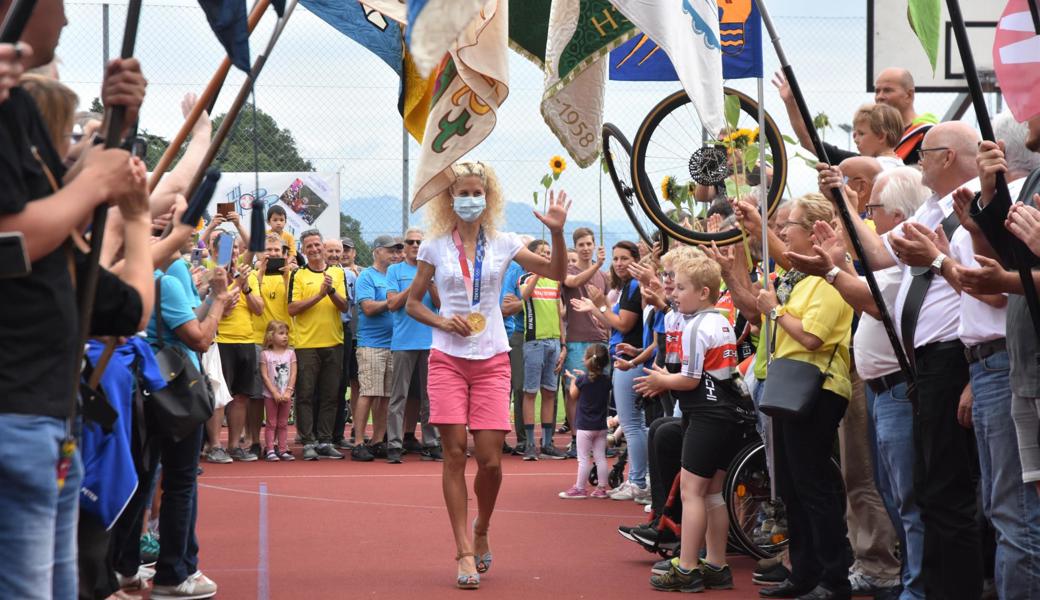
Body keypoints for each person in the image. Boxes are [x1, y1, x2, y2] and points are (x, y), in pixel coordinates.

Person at [0, 5, 151, 595]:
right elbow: (12, 240)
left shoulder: (16, 115)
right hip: (16, 411)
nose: (65, 20)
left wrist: (117, 132)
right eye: (58, 4)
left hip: (48, 414)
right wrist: (99, 189)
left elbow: (53, 225)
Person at [821, 121, 984, 599]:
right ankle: (934, 587)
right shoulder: (934, 211)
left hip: (954, 361)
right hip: (923, 370)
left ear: (949, 157)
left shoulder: (967, 210)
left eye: (926, 154)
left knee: (951, 496)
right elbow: (876, 256)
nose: (918, 163)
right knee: (929, 494)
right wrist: (845, 206)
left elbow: (985, 292)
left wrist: (935, 261)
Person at [405, 161, 570, 589]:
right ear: (449, 198)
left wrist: (555, 231)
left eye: (478, 192)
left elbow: (556, 273)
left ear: (488, 197)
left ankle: (482, 528)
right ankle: (462, 550)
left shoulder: (504, 243)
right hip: (447, 359)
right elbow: (413, 304)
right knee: (455, 453)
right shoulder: (435, 247)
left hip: (493, 357)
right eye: (462, 192)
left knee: (492, 462)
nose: (470, 199)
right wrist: (442, 322)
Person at [901, 114, 1040, 599]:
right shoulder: (983, 206)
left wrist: (940, 259)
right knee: (1000, 508)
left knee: (1012, 514)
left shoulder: (1016, 202)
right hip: (986, 364)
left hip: (1002, 365)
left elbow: (995, 292)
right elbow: (990, 281)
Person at [787, 167, 930, 600]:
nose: (869, 218)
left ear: (898, 213)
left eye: (873, 210)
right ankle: (906, 580)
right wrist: (839, 261)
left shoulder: (903, 253)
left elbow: (869, 299)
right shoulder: (889, 255)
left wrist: (833, 267)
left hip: (896, 389)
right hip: (880, 388)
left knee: (905, 497)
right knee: (889, 493)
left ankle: (907, 582)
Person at [746, 193, 855, 600]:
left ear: (813, 233)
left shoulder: (831, 279)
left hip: (819, 388)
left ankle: (833, 577)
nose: (782, 231)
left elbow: (811, 337)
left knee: (814, 485)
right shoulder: (805, 280)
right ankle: (805, 571)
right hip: (793, 387)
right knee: (793, 485)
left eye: (788, 225)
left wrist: (775, 310)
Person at [635, 256, 751, 593]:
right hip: (726, 413)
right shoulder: (722, 321)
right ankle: (716, 564)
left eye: (681, 287)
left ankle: (687, 567)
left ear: (703, 292)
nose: (675, 293)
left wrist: (662, 379)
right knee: (713, 493)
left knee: (692, 492)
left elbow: (689, 378)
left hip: (706, 415)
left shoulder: (697, 326)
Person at [571, 241, 649, 504]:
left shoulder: (634, 288)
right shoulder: (628, 287)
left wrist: (601, 304)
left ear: (636, 260)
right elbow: (613, 326)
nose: (618, 263)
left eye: (624, 258)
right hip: (625, 356)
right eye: (615, 259)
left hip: (631, 359)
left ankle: (639, 481)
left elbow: (623, 324)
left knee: (632, 424)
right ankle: (641, 477)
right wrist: (597, 308)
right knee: (635, 424)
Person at [775, 67, 938, 165]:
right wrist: (791, 102)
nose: (880, 96)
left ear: (909, 95)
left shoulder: (929, 136)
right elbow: (810, 142)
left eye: (887, 90)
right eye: (877, 91)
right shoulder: (868, 157)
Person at [288, 229, 348, 461]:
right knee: (305, 394)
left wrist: (330, 290)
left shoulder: (337, 273)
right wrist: (319, 295)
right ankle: (308, 441)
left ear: (323, 247)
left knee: (330, 394)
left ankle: (325, 440)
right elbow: (292, 308)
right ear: (304, 250)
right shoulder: (299, 275)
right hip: (306, 344)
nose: (314, 249)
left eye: (316, 245)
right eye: (309, 246)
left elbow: (344, 306)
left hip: (334, 341)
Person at [386, 227, 442, 463]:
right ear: (404, 246)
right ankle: (394, 444)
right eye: (410, 242)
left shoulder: (434, 270)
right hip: (403, 342)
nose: (416, 246)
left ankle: (432, 442)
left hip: (430, 342)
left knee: (430, 396)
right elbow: (392, 304)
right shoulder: (395, 270)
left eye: (420, 242)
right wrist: (415, 283)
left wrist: (428, 283)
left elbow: (441, 305)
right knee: (398, 395)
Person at [352, 234, 403, 461]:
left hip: (395, 344)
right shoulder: (367, 276)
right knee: (369, 392)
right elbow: (369, 307)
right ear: (377, 251)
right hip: (371, 343)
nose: (395, 255)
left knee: (387, 396)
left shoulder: (395, 277)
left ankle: (378, 440)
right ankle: (359, 441)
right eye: (390, 250)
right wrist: (393, 301)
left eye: (396, 251)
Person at [561, 227, 609, 457]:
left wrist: (604, 319)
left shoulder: (603, 275)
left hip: (600, 339)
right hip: (576, 340)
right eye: (581, 244)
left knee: (600, 391)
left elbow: (607, 305)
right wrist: (597, 265)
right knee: (575, 390)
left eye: (589, 243)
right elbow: (575, 280)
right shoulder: (568, 270)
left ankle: (598, 438)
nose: (586, 248)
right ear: (576, 246)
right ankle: (575, 438)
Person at [215, 238, 264, 461]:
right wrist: (236, 283)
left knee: (241, 396)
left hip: (246, 340)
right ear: (216, 251)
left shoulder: (248, 276)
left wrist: (245, 286)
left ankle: (234, 445)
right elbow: (220, 309)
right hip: (221, 341)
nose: (233, 252)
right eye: (227, 248)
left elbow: (259, 309)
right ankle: (215, 445)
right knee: (218, 397)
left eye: (235, 248)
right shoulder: (213, 275)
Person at [519, 238, 568, 460]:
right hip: (534, 342)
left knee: (550, 392)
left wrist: (563, 344)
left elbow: (559, 314)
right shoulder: (525, 278)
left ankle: (547, 443)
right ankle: (529, 444)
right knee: (530, 392)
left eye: (549, 253)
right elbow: (524, 296)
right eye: (542, 253)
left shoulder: (555, 282)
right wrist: (538, 271)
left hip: (554, 342)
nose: (547, 256)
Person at [558, 344, 612, 499]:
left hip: (585, 427)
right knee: (600, 457)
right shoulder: (607, 380)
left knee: (583, 458)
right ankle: (602, 488)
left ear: (587, 360)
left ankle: (580, 488)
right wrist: (583, 377)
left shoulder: (582, 380)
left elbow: (574, 395)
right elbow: (594, 381)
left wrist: (574, 381)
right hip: (601, 426)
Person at [334, 237, 360, 449]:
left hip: (358, 335)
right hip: (335, 334)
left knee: (357, 383)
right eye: (340, 250)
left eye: (347, 250)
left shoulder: (361, 274)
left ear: (354, 253)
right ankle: (334, 429)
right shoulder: (328, 273)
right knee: (337, 383)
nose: (343, 254)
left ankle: (357, 428)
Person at [260, 320, 296, 462]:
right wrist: (274, 392)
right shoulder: (265, 354)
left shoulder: (290, 353)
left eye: (286, 333)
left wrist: (288, 391)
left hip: (286, 394)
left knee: (283, 423)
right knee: (271, 423)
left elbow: (293, 373)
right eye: (281, 333)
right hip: (271, 395)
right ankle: (270, 449)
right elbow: (265, 375)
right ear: (270, 336)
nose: (285, 336)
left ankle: (282, 448)